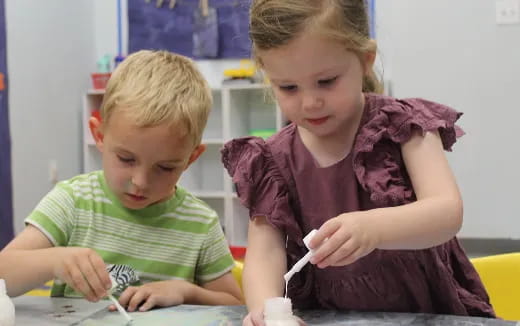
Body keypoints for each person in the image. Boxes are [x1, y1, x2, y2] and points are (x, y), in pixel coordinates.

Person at [221, 0, 494, 324]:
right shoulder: (271, 161)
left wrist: (374, 228)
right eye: (288, 87)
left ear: (365, 60)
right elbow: (264, 255)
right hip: (327, 316)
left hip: (425, 310)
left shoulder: (404, 127)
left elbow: (447, 212)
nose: (310, 102)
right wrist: (265, 309)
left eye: (326, 81)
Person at [0, 50, 242, 312]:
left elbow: (235, 305)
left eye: (164, 167)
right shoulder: (72, 202)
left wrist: (185, 291)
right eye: (126, 159)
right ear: (99, 136)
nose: (140, 181)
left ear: (191, 158)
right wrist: (54, 261)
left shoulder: (201, 225)